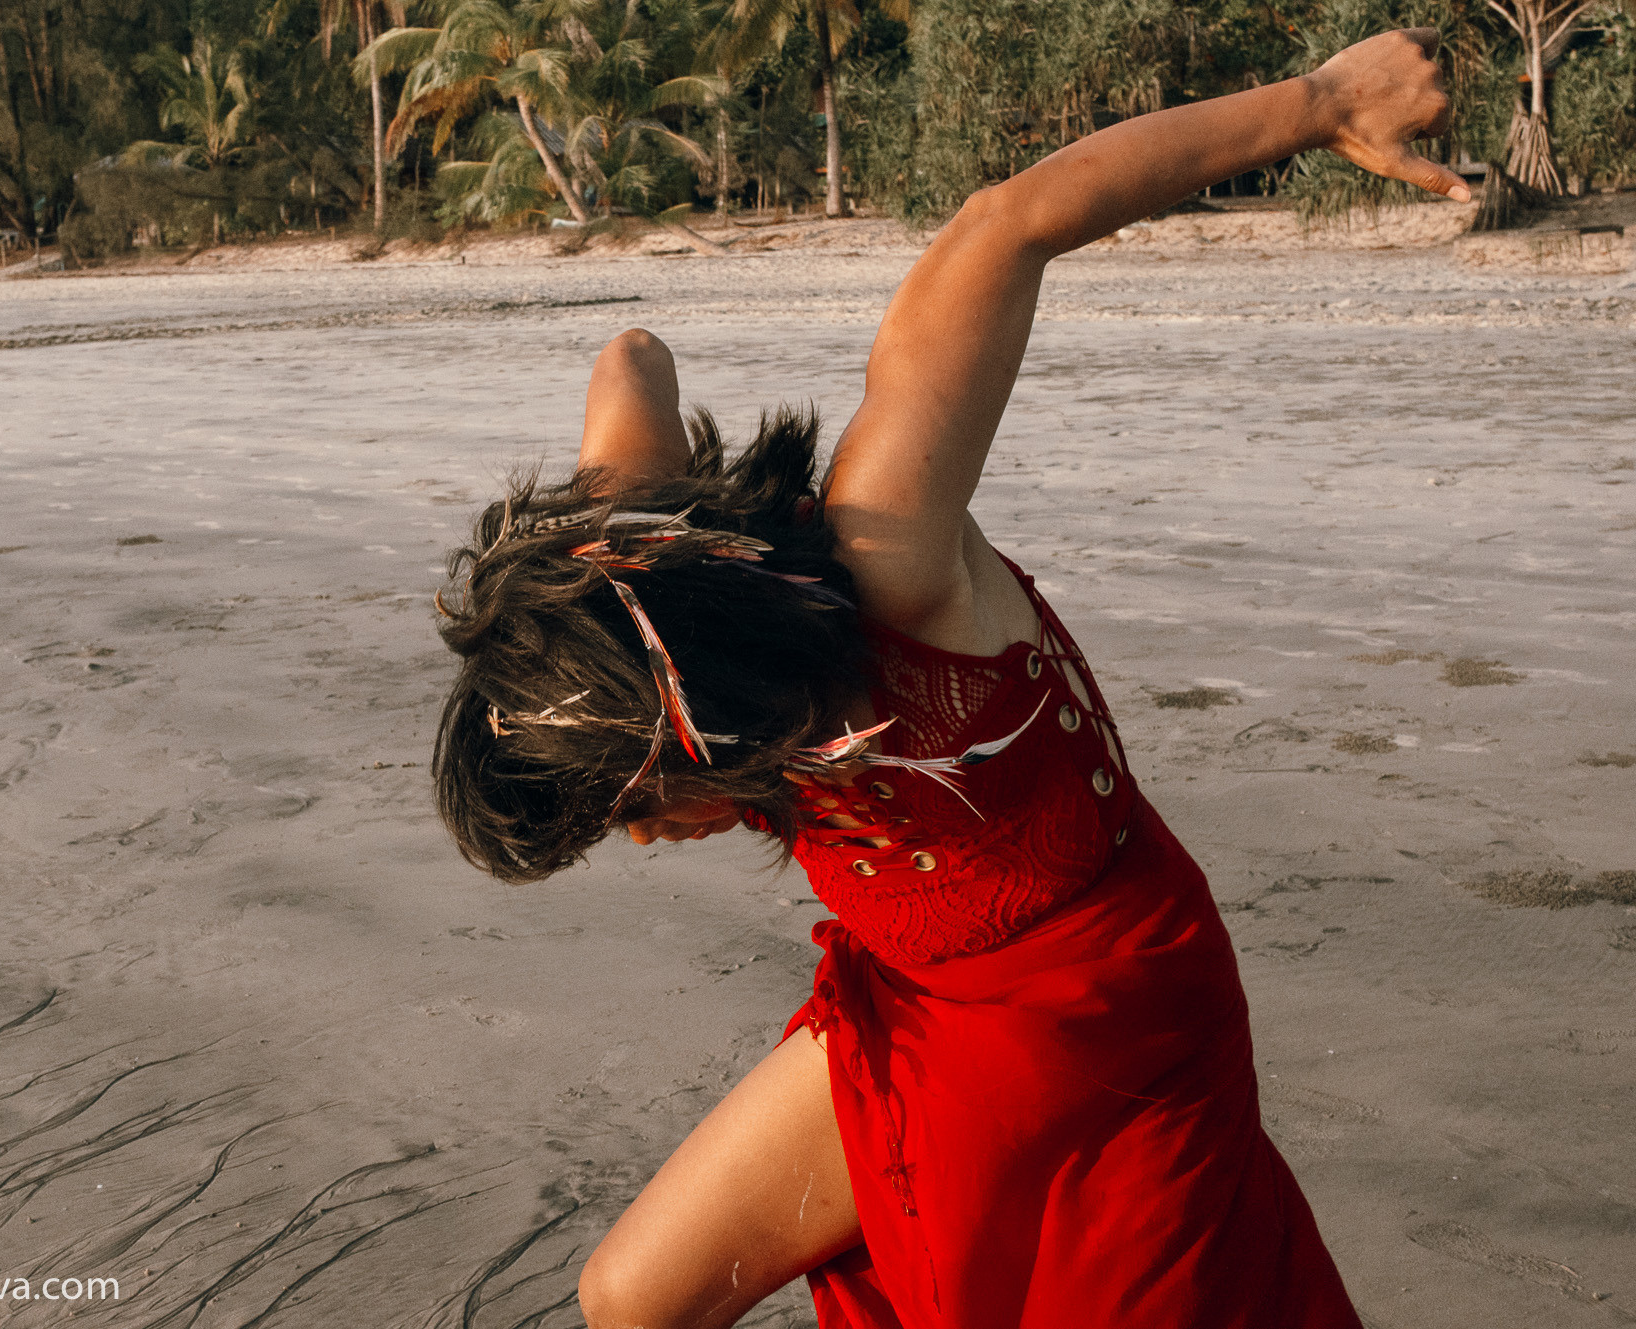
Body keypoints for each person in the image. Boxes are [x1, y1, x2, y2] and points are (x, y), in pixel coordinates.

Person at [432, 29, 1465, 1329]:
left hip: (1108, 1031)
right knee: (634, 1297)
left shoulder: (892, 551)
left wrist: (1321, 103)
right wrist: (614, 522)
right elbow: (631, 353)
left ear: (685, 719)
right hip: (916, 1005)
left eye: (628, 811)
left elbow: (1007, 227)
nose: (643, 841)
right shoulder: (644, 603)